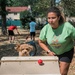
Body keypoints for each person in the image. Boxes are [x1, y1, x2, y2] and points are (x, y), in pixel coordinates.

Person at [38, 6, 74, 75]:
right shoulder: (46, 28)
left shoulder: (67, 27)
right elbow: (40, 41)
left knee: (62, 73)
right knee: (53, 72)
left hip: (66, 51)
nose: (50, 20)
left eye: (53, 18)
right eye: (49, 18)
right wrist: (48, 51)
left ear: (59, 17)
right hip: (53, 53)